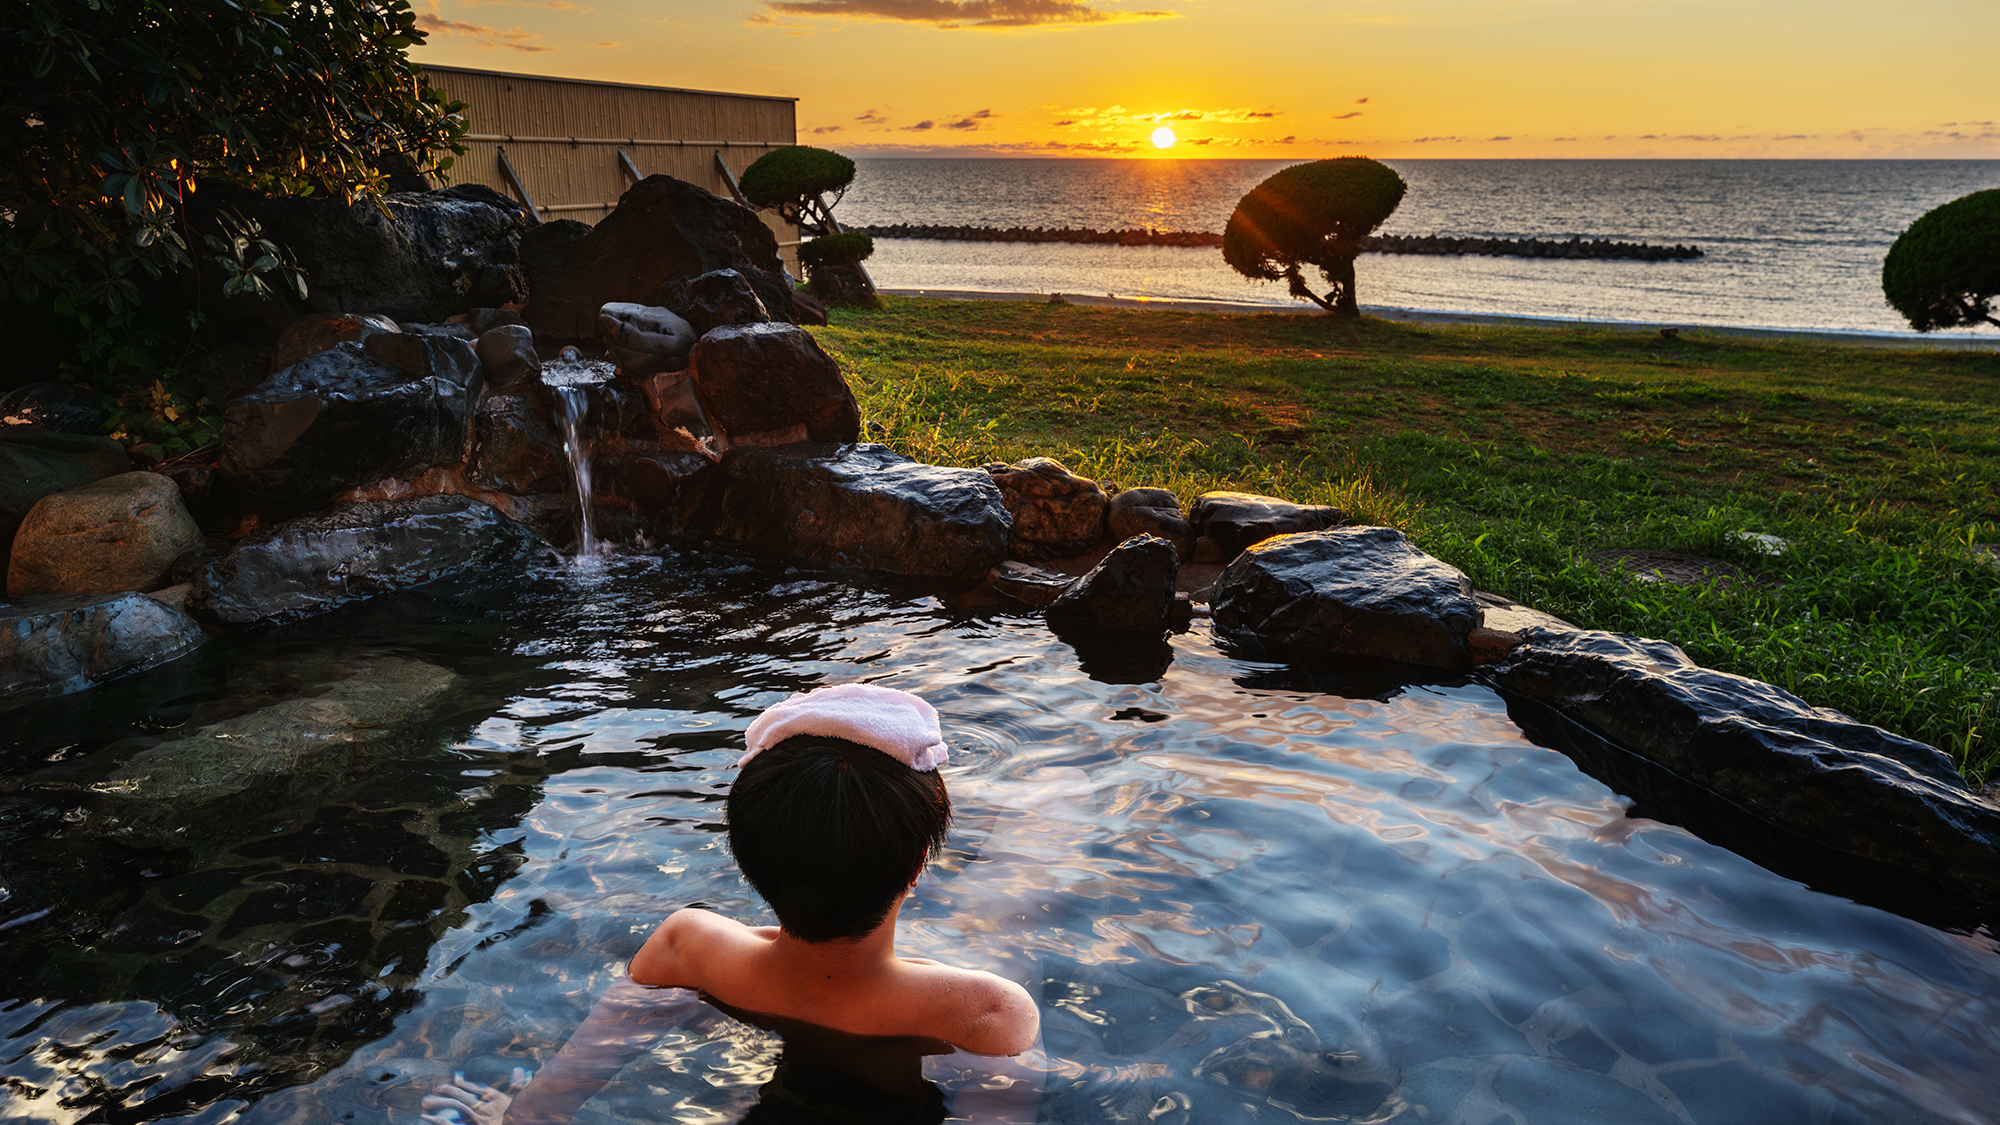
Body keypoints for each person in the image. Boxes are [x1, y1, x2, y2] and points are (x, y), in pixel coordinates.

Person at [420, 684, 1042, 1125]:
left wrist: (513, 1114)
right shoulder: (985, 1017)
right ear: (914, 869)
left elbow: (544, 1113)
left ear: (745, 859)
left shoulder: (685, 950)